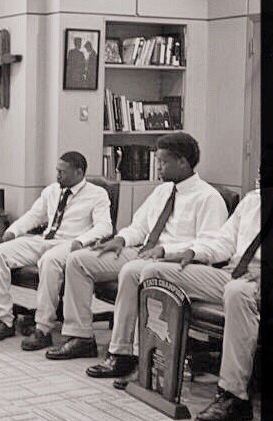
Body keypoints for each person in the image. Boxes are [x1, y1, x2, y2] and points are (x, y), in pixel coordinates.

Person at [46, 133, 227, 376]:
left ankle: (121, 353)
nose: (159, 167)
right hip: (142, 251)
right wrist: (120, 239)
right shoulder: (162, 192)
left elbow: (210, 245)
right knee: (78, 261)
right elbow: (139, 227)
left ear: (183, 162)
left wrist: (165, 250)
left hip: (173, 261)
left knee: (131, 271)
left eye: (163, 162)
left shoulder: (208, 198)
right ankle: (80, 337)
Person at [142, 183, 262, 421]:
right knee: (155, 270)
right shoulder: (252, 201)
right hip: (235, 272)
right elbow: (223, 242)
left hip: (254, 280)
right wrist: (193, 252)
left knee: (237, 292)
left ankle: (233, 395)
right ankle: (152, 366)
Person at [0, 151, 112, 349]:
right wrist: (12, 232)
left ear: (79, 173)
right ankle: (4, 319)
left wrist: (82, 240)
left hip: (71, 244)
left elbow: (105, 227)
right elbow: (34, 216)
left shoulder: (97, 194)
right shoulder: (52, 190)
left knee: (49, 260)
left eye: (63, 172)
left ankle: (43, 329)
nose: (57, 176)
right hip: (45, 239)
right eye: (57, 171)